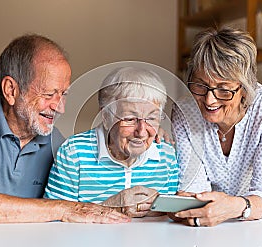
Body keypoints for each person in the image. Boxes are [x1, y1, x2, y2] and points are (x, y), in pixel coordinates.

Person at [0, 34, 130, 224]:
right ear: (11, 90)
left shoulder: (54, 140)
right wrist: (61, 209)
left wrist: (145, 137)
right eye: (50, 94)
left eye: (64, 94)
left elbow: (82, 199)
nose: (60, 107)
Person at [171, 27, 262, 227]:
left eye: (223, 89)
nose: (210, 100)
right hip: (206, 217)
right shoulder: (185, 111)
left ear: (245, 87)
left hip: (259, 216)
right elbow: (194, 188)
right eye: (200, 85)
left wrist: (233, 207)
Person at [44, 66, 179, 217]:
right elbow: (53, 219)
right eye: (130, 119)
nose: (141, 132)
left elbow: (174, 222)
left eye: (151, 118)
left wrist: (164, 209)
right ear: (106, 118)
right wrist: (110, 207)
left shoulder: (167, 156)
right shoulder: (74, 154)